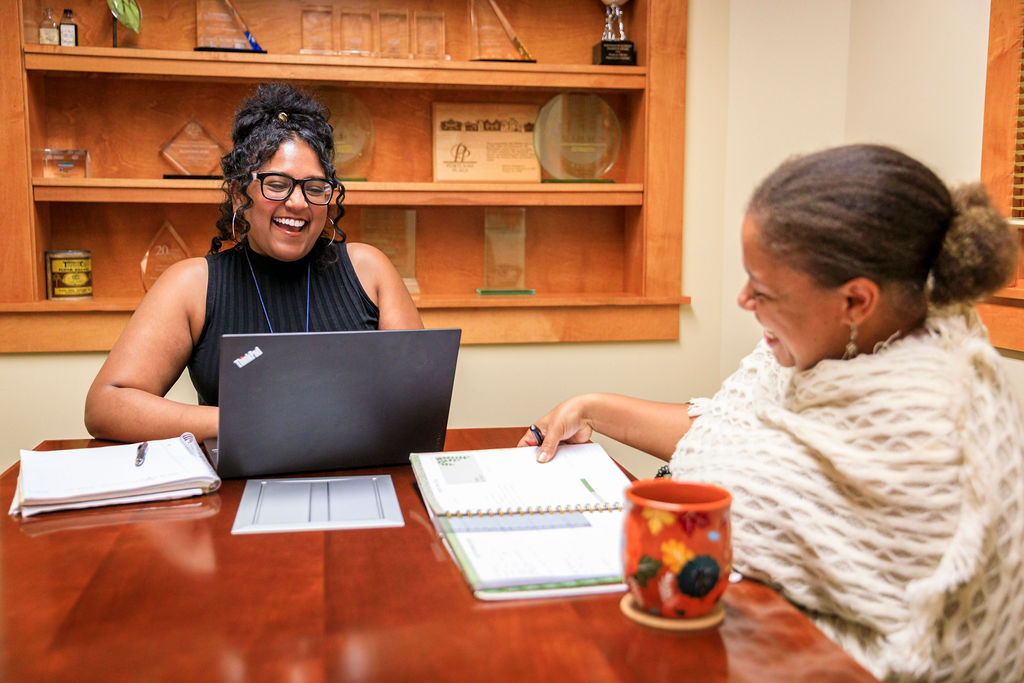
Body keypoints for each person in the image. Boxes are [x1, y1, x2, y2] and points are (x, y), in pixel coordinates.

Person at [520, 144, 1024, 682]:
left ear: (856, 301)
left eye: (762, 290)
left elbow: (746, 489)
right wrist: (590, 407)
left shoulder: (936, 418)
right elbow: (729, 435)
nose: (742, 299)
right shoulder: (830, 343)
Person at [85, 82, 422, 443]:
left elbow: (419, 396)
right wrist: (242, 420)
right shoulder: (192, 285)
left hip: (357, 476)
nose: (297, 203)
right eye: (276, 184)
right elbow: (106, 406)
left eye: (314, 188)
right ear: (237, 193)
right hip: (238, 488)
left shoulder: (369, 271)